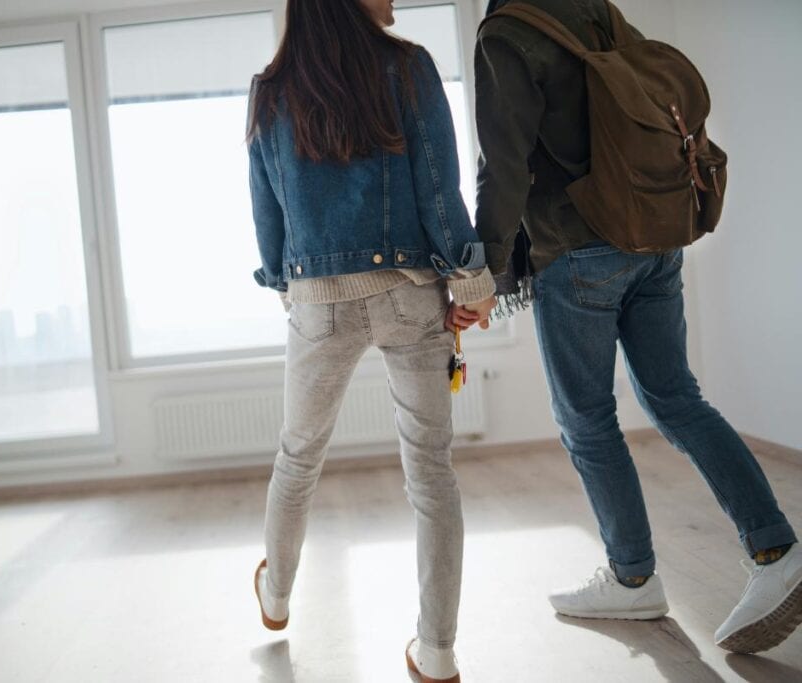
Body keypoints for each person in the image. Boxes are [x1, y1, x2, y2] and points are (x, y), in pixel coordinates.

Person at [474, 0, 800, 654]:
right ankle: (776, 547)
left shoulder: (507, 33)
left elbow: (505, 166)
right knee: (677, 395)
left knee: (586, 419)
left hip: (577, 247)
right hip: (653, 233)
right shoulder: (590, 7)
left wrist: (488, 272)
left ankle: (632, 576)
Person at [247, 1, 497, 680]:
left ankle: (275, 593)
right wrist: (470, 284)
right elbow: (439, 197)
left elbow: (268, 224)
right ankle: (438, 652)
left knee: (297, 456)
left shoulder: (270, 94)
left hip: (316, 304)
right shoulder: (408, 68)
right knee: (432, 473)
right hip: (409, 293)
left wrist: (290, 286)